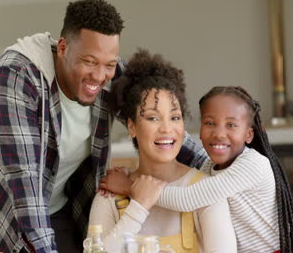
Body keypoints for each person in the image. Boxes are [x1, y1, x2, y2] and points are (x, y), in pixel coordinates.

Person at [0, 0, 206, 253]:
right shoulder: (17, 75)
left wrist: (217, 164)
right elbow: (25, 183)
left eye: (109, 65)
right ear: (62, 48)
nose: (99, 76)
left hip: (54, 209)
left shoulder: (111, 76)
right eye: (89, 62)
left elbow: (161, 121)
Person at [101, 86, 293, 253]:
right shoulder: (209, 167)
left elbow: (187, 198)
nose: (218, 133)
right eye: (209, 123)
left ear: (248, 135)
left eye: (231, 125)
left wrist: (129, 186)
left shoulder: (252, 164)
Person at [89, 50, 237, 253]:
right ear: (131, 126)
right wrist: (138, 206)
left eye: (175, 117)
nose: (167, 129)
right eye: (152, 118)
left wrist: (133, 188)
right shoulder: (110, 196)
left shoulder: (205, 191)